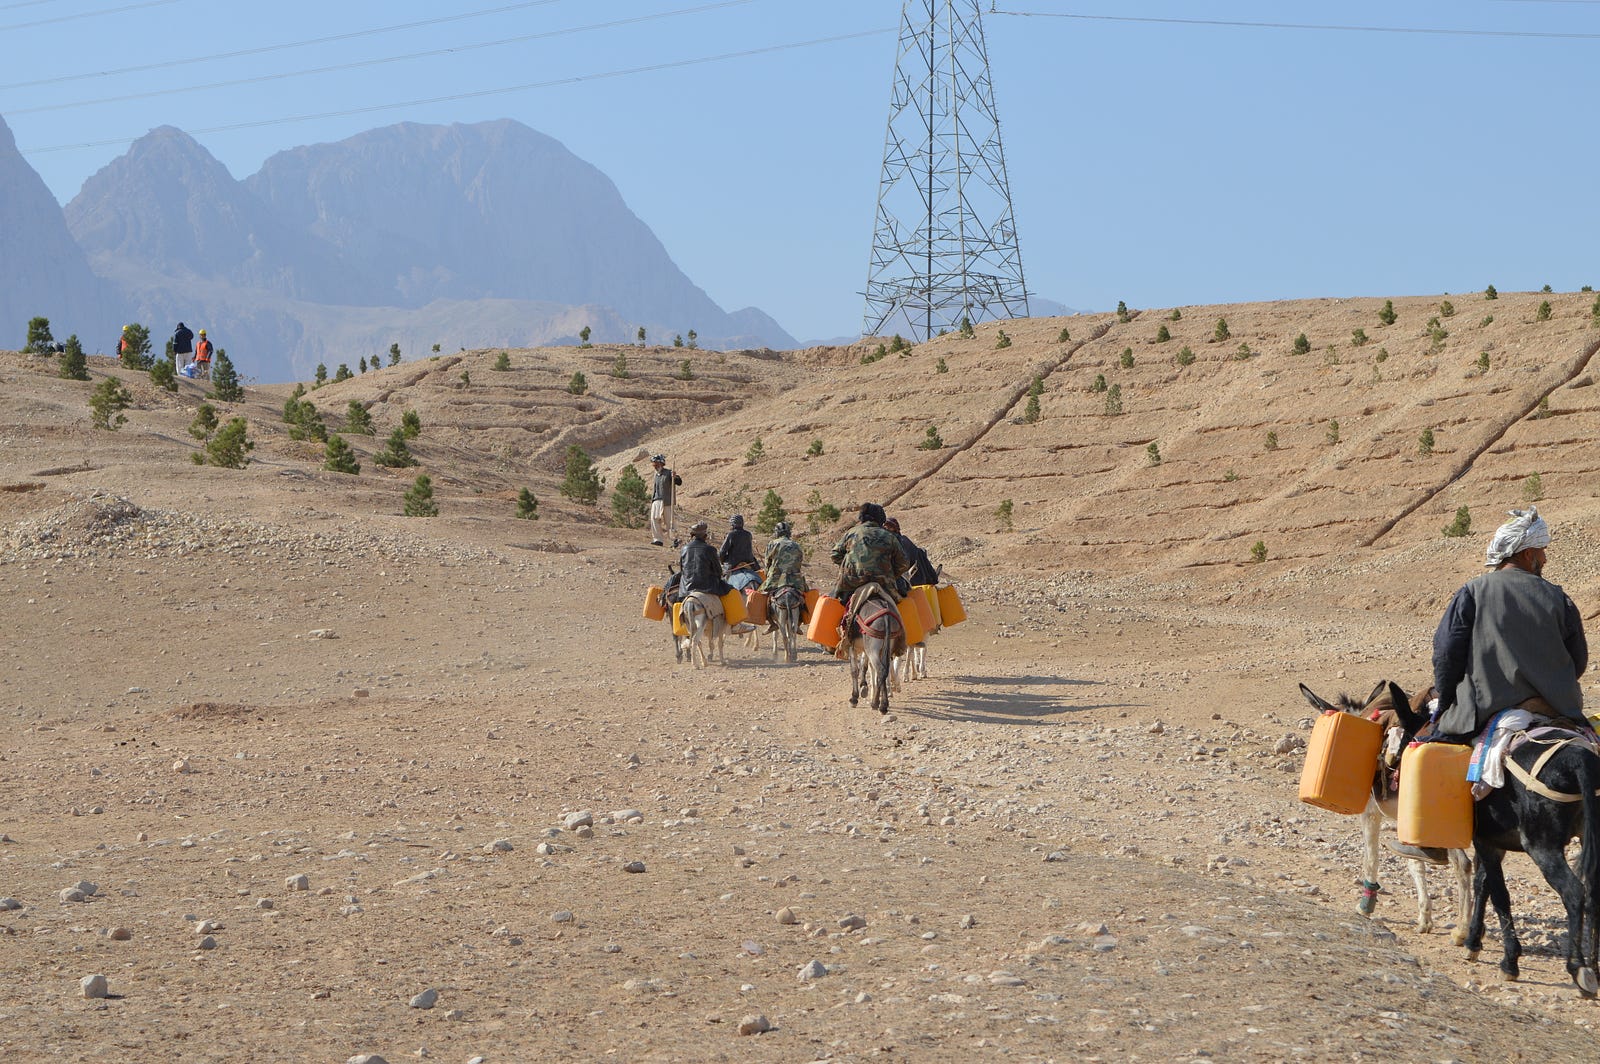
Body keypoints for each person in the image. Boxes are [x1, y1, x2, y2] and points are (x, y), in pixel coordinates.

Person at [1431, 506, 1588, 743]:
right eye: (1542, 550)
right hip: (1556, 707)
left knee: (1430, 751)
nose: (1545, 558)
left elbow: (1446, 654)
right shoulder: (1559, 598)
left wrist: (1445, 703)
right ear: (1527, 554)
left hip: (1484, 710)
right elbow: (1578, 662)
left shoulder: (1472, 593)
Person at [830, 502, 908, 605]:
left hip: (852, 582)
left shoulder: (852, 533)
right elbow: (904, 563)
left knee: (835, 602)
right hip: (884, 583)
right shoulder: (889, 537)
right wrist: (891, 574)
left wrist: (852, 565)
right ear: (881, 519)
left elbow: (835, 555)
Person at [885, 517, 938, 597]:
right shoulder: (905, 540)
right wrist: (934, 579)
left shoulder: (889, 542)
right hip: (919, 587)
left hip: (905, 586)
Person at [679, 521, 729, 597]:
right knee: (730, 591)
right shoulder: (710, 549)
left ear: (692, 535)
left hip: (686, 590)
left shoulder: (684, 549)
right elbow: (718, 571)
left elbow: (682, 570)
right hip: (708, 589)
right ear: (705, 536)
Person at [760, 521, 807, 597]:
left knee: (759, 595)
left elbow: (767, 564)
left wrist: (767, 575)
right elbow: (799, 564)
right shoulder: (796, 545)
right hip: (796, 582)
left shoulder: (772, 544)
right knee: (809, 596)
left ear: (777, 533)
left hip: (775, 581)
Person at [719, 514, 760, 592]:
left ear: (732, 524)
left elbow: (722, 551)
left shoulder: (731, 534)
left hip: (733, 564)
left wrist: (722, 561)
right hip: (749, 562)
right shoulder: (748, 534)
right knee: (761, 573)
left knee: (720, 580)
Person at [649, 454, 682, 547]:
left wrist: (675, 477)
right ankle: (658, 539)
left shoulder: (669, 473)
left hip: (667, 501)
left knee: (669, 521)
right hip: (656, 500)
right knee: (654, 519)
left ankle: (674, 539)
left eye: (657, 464)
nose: (655, 466)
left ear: (661, 463)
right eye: (654, 464)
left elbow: (679, 482)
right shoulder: (655, 475)